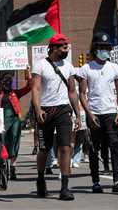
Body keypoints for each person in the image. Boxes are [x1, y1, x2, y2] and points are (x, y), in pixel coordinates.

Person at [78, 32, 118, 193]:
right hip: (94, 113)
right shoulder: (86, 69)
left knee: (116, 146)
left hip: (111, 113)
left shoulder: (114, 68)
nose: (104, 50)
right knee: (94, 148)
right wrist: (89, 113)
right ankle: (95, 182)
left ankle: (116, 181)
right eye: (101, 47)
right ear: (95, 49)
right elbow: (82, 93)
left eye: (107, 48)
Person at [32, 33, 81, 201]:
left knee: (65, 147)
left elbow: (72, 91)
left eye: (66, 46)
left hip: (63, 110)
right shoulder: (40, 66)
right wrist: (38, 109)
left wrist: (78, 114)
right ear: (52, 48)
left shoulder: (69, 67)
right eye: (62, 46)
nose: (65, 49)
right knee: (44, 149)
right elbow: (36, 89)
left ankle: (65, 187)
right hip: (45, 110)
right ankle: (40, 179)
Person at [0, 65, 32, 180]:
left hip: (15, 119)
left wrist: (28, 72)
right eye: (5, 80)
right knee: (3, 141)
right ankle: (3, 164)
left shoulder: (15, 93)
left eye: (10, 80)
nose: (7, 82)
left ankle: (13, 166)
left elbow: (29, 87)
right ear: (1, 82)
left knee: (15, 140)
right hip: (3, 120)